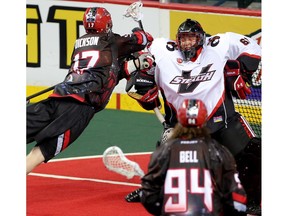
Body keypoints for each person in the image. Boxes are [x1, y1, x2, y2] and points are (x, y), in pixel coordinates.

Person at [124, 19, 261, 215]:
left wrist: (243, 72)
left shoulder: (219, 45)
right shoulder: (163, 50)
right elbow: (136, 64)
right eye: (183, 39)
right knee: (167, 161)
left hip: (221, 120)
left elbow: (253, 47)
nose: (187, 43)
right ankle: (154, 190)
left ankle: (253, 200)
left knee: (254, 152)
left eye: (191, 38)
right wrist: (144, 86)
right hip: (182, 126)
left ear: (201, 38)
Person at [26, 7, 153, 174]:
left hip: (59, 97)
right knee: (40, 152)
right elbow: (144, 39)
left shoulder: (79, 43)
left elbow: (107, 72)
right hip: (79, 108)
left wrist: (134, 64)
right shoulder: (111, 41)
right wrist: (138, 31)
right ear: (107, 24)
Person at [141, 98, 248, 215]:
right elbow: (238, 199)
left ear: (179, 119)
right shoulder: (217, 151)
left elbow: (148, 196)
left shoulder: (163, 151)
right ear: (205, 120)